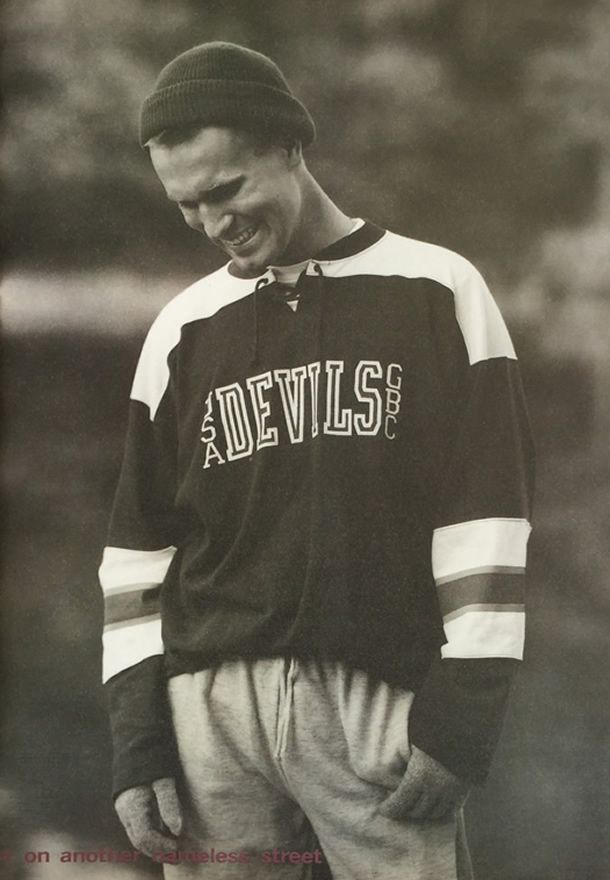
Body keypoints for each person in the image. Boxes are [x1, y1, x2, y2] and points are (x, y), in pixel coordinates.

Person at [99, 41, 534, 880]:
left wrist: (465, 715)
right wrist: (138, 737)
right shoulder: (182, 330)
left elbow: (487, 520)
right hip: (210, 717)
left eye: (226, 190)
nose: (213, 224)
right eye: (187, 206)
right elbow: (137, 555)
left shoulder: (438, 290)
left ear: (290, 145)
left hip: (379, 699)